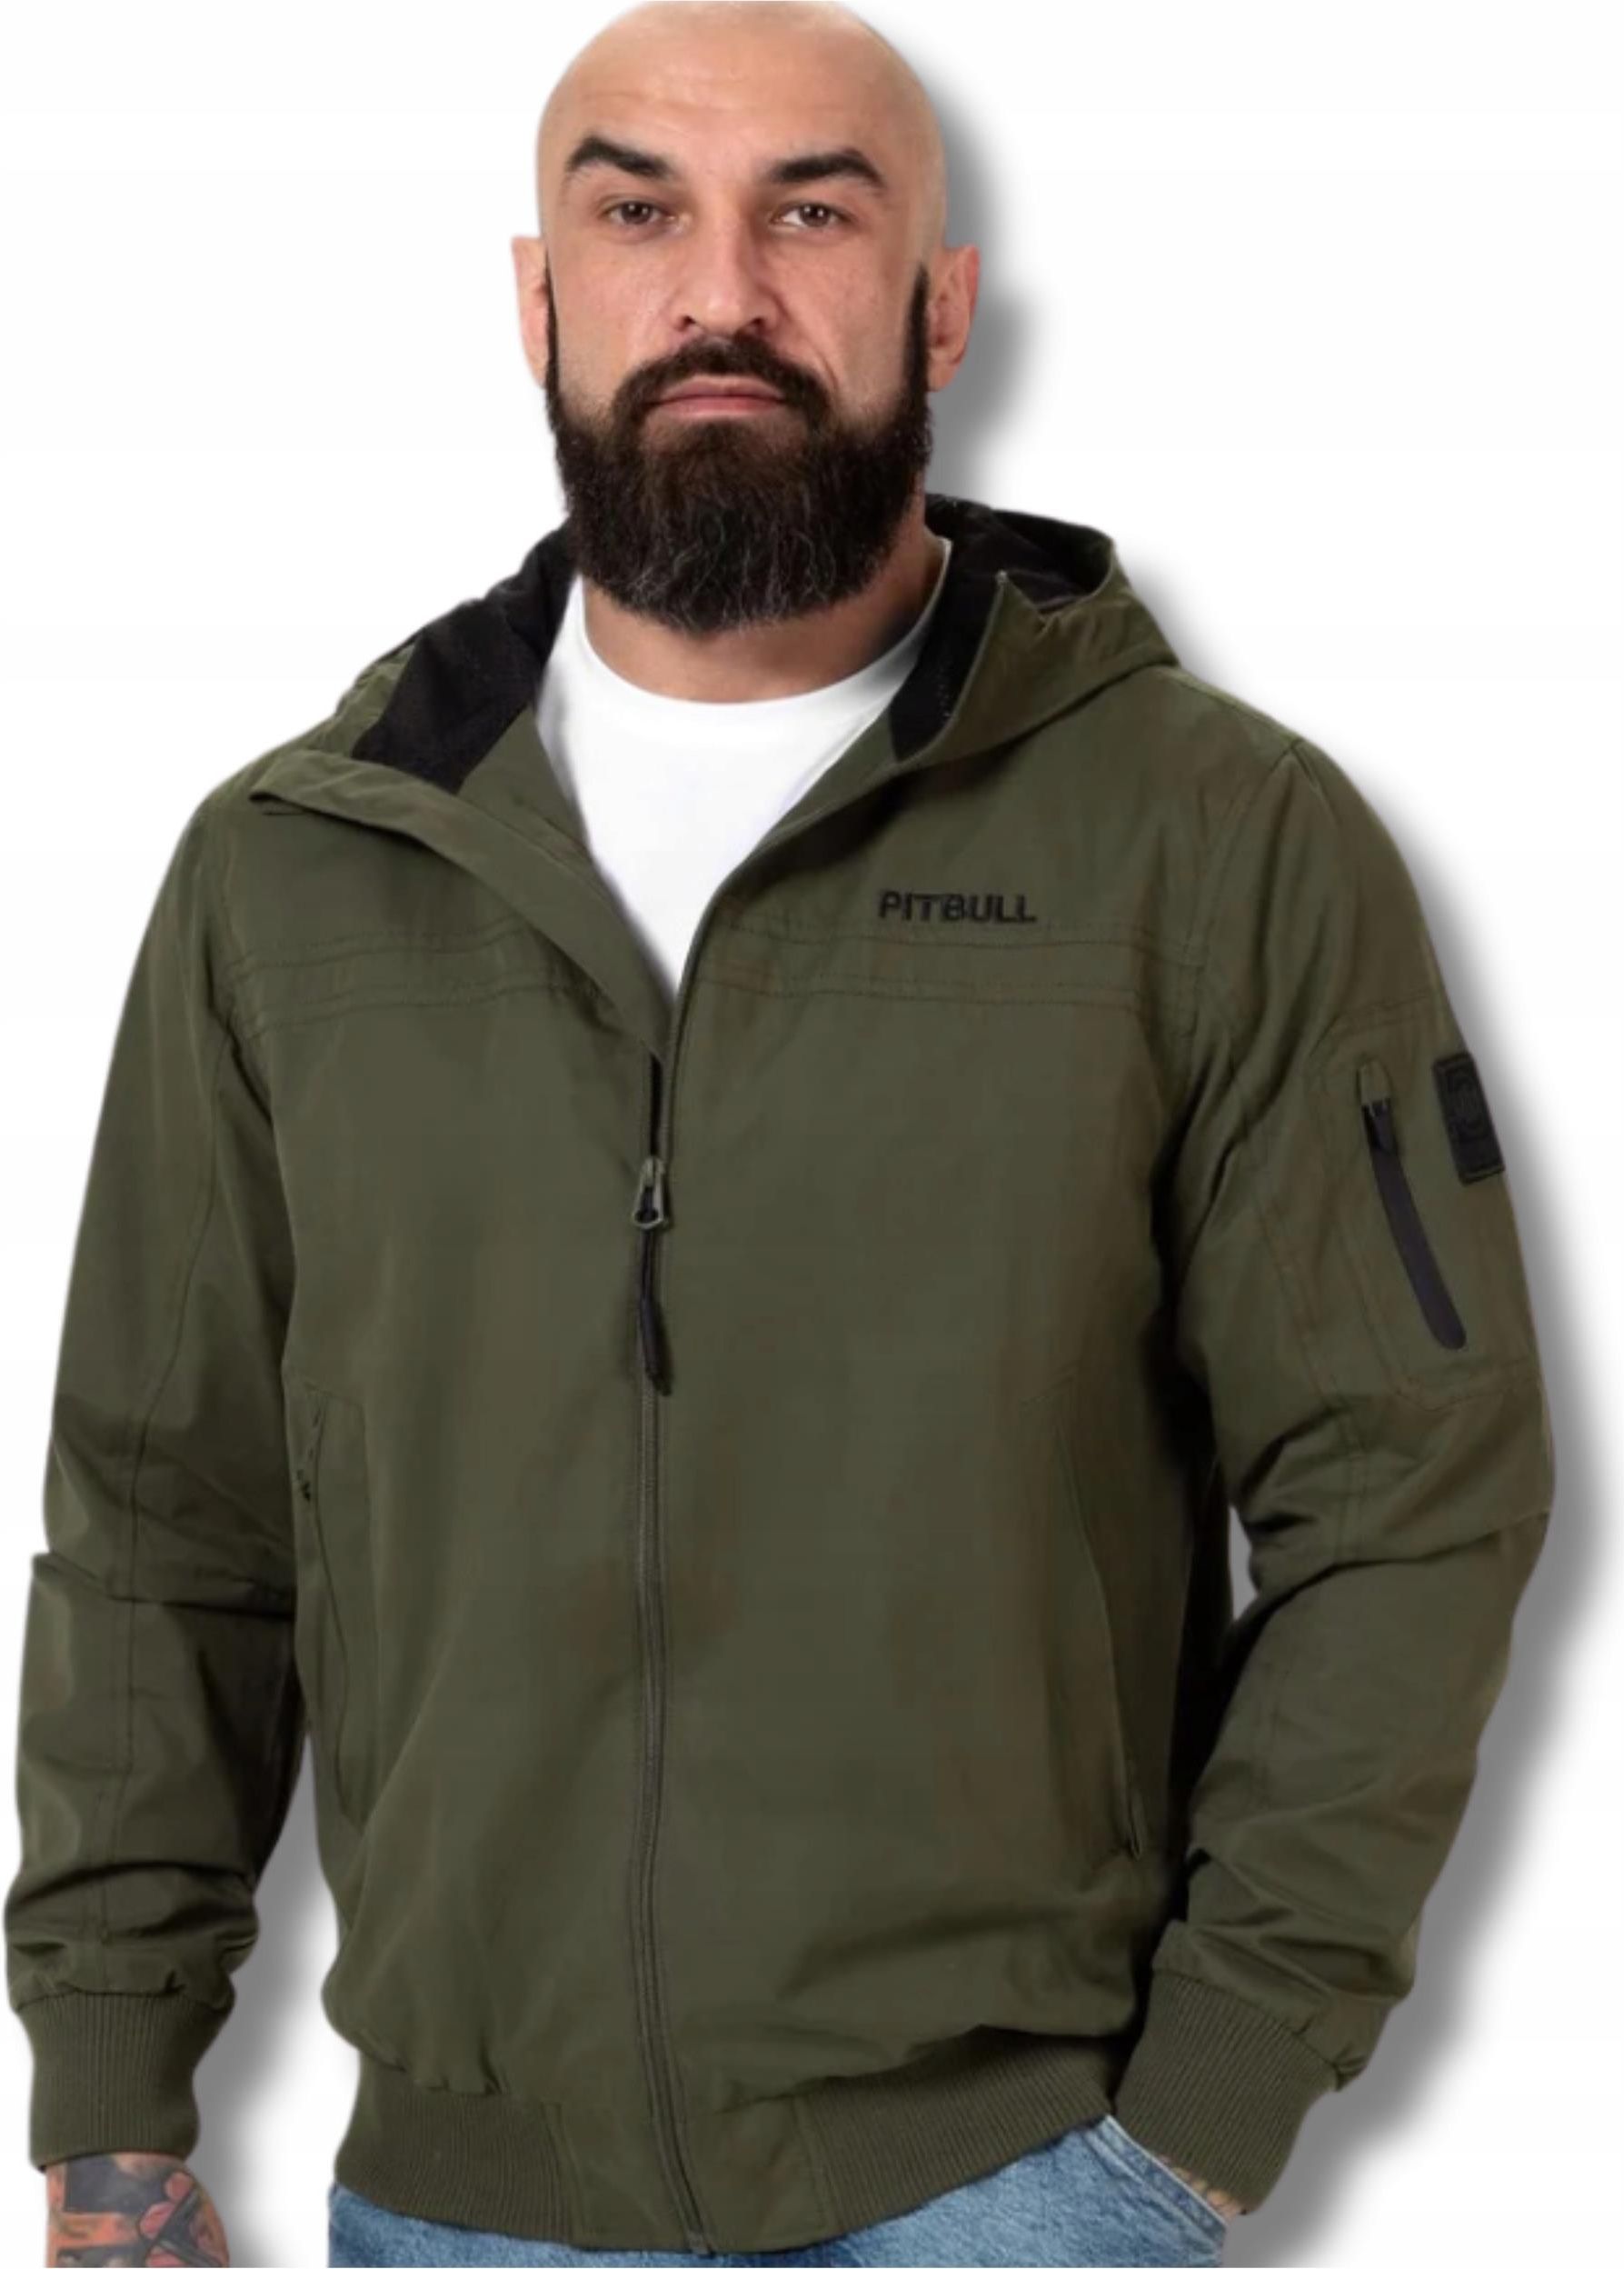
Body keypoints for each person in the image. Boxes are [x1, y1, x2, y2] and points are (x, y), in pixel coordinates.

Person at [5, 4, 1556, 2265]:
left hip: (1009, 2193)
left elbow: (1414, 1494)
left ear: (942, 302)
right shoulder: (300, 872)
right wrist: (113, 2113)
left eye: (812, 213)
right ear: (539, 296)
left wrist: (1202, 2112)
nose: (718, 290)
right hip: (459, 2209)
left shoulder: (1217, 845)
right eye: (638, 213)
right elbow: (163, 1528)